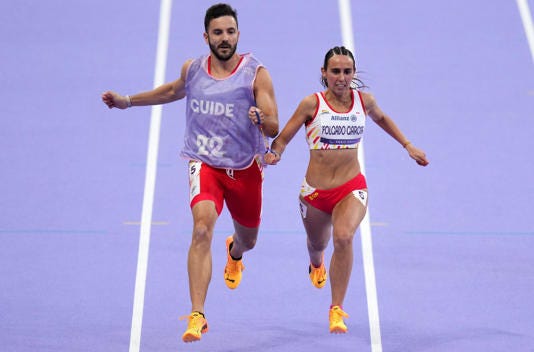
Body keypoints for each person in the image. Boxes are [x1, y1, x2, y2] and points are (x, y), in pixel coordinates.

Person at [102, 3, 279, 343]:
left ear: (238, 34)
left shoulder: (256, 74)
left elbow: (273, 124)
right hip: (205, 163)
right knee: (201, 228)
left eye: (230, 32)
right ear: (206, 36)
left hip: (244, 169)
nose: (224, 38)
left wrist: (262, 119)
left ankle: (235, 253)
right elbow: (171, 91)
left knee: (249, 240)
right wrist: (127, 101)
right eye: (217, 33)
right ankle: (197, 314)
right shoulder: (194, 69)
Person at [264, 46, 428, 334]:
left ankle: (336, 309)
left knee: (343, 236)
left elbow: (383, 119)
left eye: (347, 72)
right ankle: (316, 263)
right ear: (324, 73)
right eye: (335, 71)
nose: (341, 78)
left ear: (354, 73)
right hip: (315, 192)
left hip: (351, 188)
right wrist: (274, 153)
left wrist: (407, 145)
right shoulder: (310, 104)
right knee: (317, 245)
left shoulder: (364, 101)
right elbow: (284, 137)